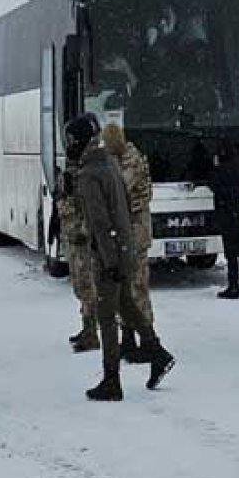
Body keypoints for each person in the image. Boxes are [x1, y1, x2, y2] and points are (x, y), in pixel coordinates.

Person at [65, 113, 175, 401]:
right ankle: (157, 351)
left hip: (108, 252)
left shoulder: (89, 173)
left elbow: (99, 221)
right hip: (123, 245)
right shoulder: (109, 163)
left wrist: (109, 260)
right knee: (125, 302)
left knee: (106, 313)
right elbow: (122, 207)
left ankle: (111, 379)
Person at [100, 123, 160, 364]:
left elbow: (120, 189)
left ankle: (148, 339)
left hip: (136, 232)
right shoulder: (118, 158)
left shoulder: (131, 160)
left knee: (138, 288)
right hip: (127, 232)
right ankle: (129, 337)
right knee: (126, 289)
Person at [58, 161, 101, 353]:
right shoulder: (71, 173)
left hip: (82, 239)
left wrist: (84, 231)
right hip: (73, 236)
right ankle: (87, 327)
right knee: (79, 285)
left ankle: (92, 332)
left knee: (86, 285)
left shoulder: (84, 174)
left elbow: (86, 207)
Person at [209, 139, 239, 299]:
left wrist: (215, 167)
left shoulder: (222, 169)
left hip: (226, 212)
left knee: (230, 251)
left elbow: (215, 185)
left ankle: (233, 285)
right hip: (237, 210)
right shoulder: (238, 166)